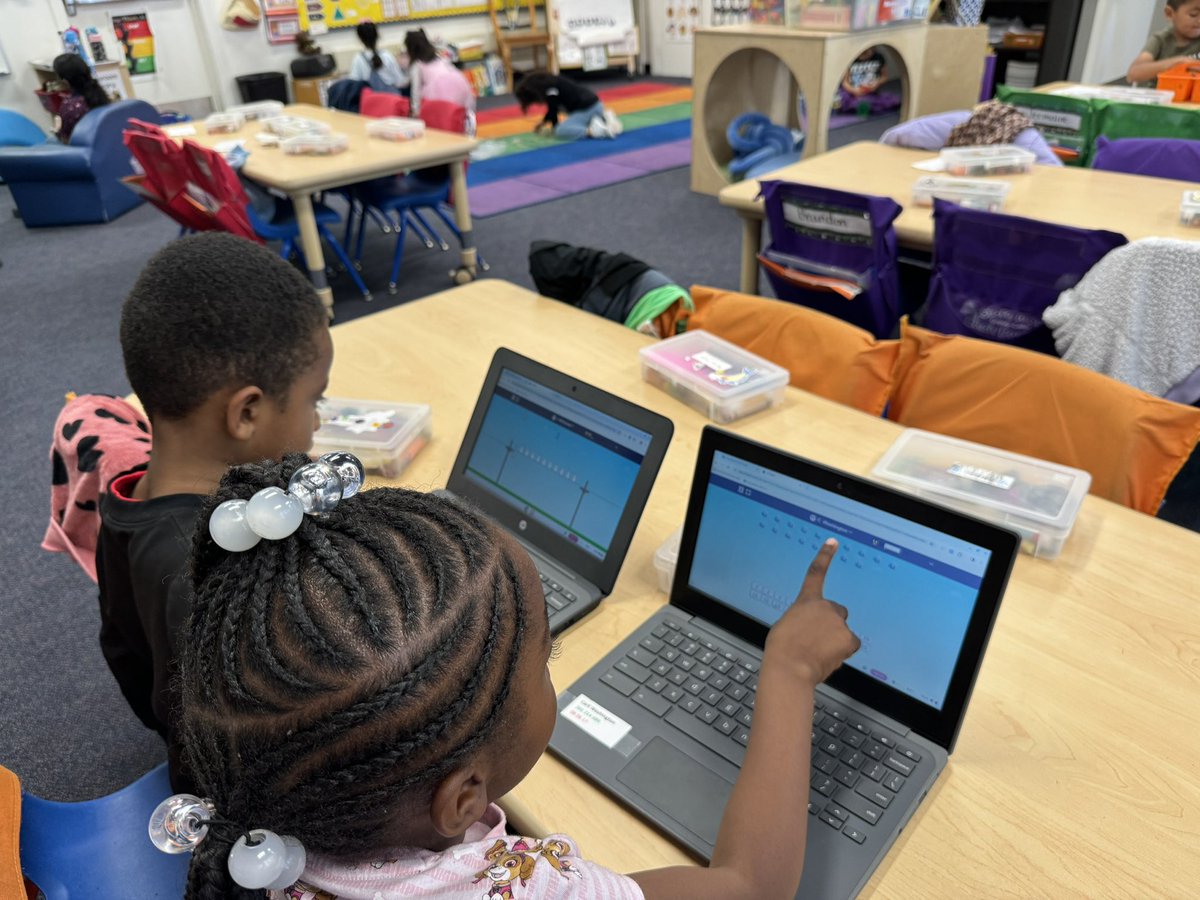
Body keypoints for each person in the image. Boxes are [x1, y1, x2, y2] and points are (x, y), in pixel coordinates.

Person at [167, 455, 860, 898]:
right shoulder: (532, 892)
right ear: (462, 799)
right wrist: (791, 672)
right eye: (545, 662)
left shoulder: (268, 840)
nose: (552, 668)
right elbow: (751, 885)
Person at [96, 233, 331, 792]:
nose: (318, 424)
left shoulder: (133, 496)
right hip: (245, 807)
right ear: (246, 412)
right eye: (314, 400)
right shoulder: (220, 575)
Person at [515, 70, 624, 140]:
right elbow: (552, 109)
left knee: (561, 131)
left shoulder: (550, 90)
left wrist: (555, 129)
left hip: (588, 108)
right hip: (593, 105)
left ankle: (596, 130)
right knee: (564, 118)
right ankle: (600, 119)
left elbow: (553, 110)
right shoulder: (552, 83)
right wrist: (543, 123)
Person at [404, 28, 475, 120]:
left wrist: (415, 111)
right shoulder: (438, 57)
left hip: (438, 91)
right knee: (459, 113)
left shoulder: (417, 65)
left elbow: (415, 91)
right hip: (457, 82)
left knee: (441, 116)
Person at [1127, 0, 1200, 86]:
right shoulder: (1160, 40)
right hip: (1161, 96)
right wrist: (1178, 62)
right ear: (1169, 13)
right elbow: (1134, 74)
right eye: (1193, 15)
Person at [51, 52, 110, 143]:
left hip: (84, 151)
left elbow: (66, 141)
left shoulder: (69, 107)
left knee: (50, 141)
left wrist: (57, 130)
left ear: (65, 81)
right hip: (106, 143)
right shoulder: (100, 94)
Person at [350, 21, 409, 94]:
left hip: (372, 101)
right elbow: (399, 81)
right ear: (377, 35)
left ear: (360, 38)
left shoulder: (358, 59)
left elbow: (354, 84)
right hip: (392, 99)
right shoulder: (387, 55)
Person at [836, 47, 889, 113]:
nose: (864, 56)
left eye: (867, 53)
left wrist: (877, 83)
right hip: (852, 89)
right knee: (842, 98)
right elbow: (845, 82)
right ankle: (855, 105)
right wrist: (854, 90)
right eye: (862, 54)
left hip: (869, 90)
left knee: (880, 101)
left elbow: (885, 77)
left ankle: (862, 105)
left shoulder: (878, 58)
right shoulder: (850, 58)